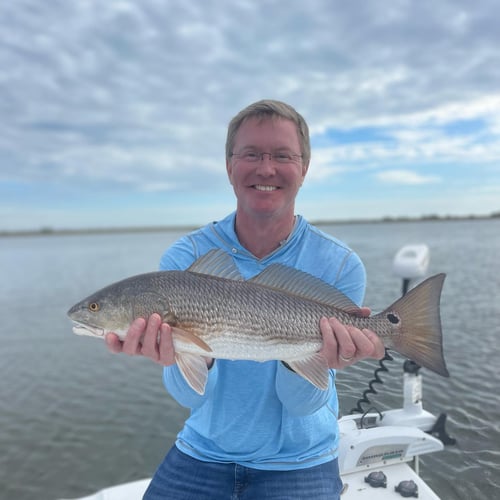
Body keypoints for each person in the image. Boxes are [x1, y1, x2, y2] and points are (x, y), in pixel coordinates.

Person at [105, 99, 385, 500]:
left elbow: (303, 405)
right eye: (251, 154)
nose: (266, 168)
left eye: (282, 156)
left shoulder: (340, 263)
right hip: (203, 453)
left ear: (304, 168)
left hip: (301, 460)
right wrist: (185, 353)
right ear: (229, 166)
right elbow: (189, 395)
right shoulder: (185, 259)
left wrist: (325, 358)